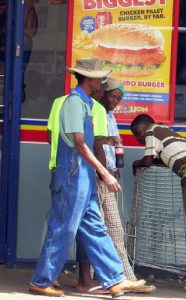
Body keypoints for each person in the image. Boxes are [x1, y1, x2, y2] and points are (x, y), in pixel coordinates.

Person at [28, 58, 145, 297]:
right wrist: (105, 173)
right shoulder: (73, 103)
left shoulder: (86, 103)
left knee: (95, 227)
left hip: (83, 176)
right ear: (88, 78)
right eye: (98, 77)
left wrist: (105, 141)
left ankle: (114, 279)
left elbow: (86, 141)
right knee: (62, 229)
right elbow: (79, 145)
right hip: (72, 175)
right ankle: (41, 280)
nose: (101, 81)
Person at [76, 78, 156, 294]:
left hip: (106, 175)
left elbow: (110, 144)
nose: (115, 102)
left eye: (119, 99)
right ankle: (97, 280)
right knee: (96, 230)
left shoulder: (109, 115)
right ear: (103, 93)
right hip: (97, 176)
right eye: (113, 97)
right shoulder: (95, 111)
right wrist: (105, 170)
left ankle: (124, 278)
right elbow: (95, 144)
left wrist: (113, 166)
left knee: (114, 230)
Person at [130, 114, 186, 294]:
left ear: (144, 126)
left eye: (138, 134)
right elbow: (166, 158)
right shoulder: (169, 133)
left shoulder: (151, 132)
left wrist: (136, 164)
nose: (139, 139)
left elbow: (147, 161)